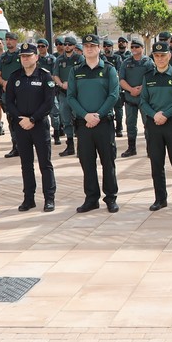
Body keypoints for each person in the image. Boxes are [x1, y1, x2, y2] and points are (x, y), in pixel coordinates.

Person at [68, 33, 121, 213]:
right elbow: (71, 97)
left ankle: (111, 198)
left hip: (104, 123)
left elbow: (113, 95)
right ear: (82, 49)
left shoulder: (108, 69)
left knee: (108, 161)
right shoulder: (76, 70)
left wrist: (97, 115)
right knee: (87, 162)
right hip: (84, 125)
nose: (89, 48)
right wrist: (86, 115)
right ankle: (91, 198)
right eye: (86, 46)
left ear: (99, 48)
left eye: (93, 45)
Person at [3, 42, 56, 212]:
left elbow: (48, 103)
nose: (24, 59)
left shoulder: (44, 76)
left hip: (39, 125)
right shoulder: (15, 77)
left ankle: (49, 198)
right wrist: (20, 118)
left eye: (28, 56)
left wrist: (32, 119)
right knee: (26, 164)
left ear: (36, 57)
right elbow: (9, 101)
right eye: (22, 56)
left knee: (44, 164)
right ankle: (29, 198)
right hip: (21, 126)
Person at [139, 41, 172, 212]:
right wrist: (155, 115)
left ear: (169, 55)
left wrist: (166, 114)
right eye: (156, 56)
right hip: (154, 125)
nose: (160, 59)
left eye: (163, 55)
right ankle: (160, 199)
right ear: (153, 57)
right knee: (156, 164)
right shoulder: (148, 76)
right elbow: (143, 101)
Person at [119, 38, 153, 158]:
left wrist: (141, 89)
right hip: (130, 99)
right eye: (132, 47)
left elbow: (152, 79)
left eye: (137, 47)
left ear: (142, 48)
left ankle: (151, 149)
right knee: (130, 124)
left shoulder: (148, 62)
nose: (134, 49)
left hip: (144, 100)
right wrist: (131, 90)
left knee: (148, 124)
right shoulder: (126, 62)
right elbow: (121, 79)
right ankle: (131, 148)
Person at [0, 32, 22, 158]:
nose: (9, 42)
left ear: (16, 41)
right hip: (8, 94)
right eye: (7, 40)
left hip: (22, 93)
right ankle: (15, 146)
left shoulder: (22, 55)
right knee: (11, 120)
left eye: (11, 39)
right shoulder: (3, 57)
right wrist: (4, 82)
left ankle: (25, 146)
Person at [53, 36, 82, 156]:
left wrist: (70, 84)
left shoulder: (80, 58)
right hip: (63, 93)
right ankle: (70, 146)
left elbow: (82, 74)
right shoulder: (59, 59)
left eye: (70, 44)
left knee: (79, 119)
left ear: (74, 46)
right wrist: (61, 84)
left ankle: (81, 146)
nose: (67, 47)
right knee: (66, 119)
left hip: (76, 93)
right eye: (65, 44)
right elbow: (55, 75)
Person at [35, 39, 61, 145]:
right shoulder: (35, 59)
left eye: (42, 46)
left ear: (47, 47)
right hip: (38, 88)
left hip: (50, 88)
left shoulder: (53, 59)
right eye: (39, 46)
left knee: (54, 113)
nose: (40, 48)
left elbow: (55, 74)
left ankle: (57, 134)